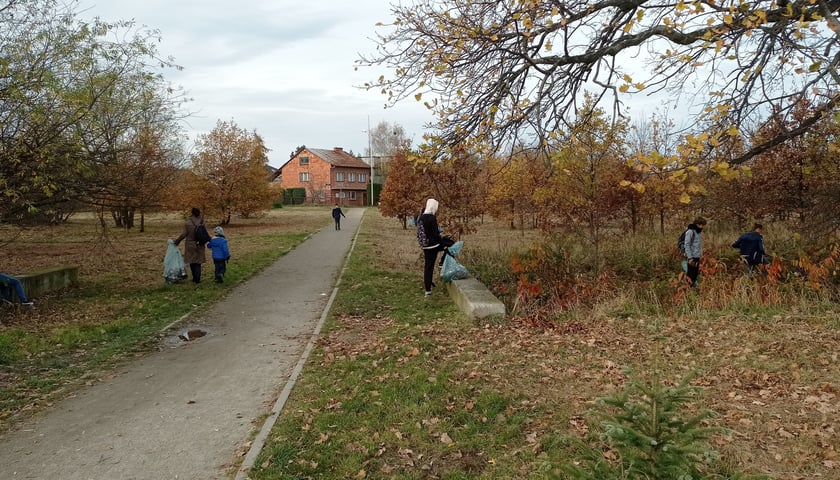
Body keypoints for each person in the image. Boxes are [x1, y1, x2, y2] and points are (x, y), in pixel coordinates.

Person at [418, 198, 446, 297]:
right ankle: (442, 263)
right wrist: (442, 239)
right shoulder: (431, 218)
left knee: (428, 267)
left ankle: (427, 289)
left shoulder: (421, 217)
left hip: (425, 246)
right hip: (433, 246)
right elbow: (435, 234)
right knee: (449, 245)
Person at [174, 207, 208, 284]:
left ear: (192, 213)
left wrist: (177, 241)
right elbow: (205, 233)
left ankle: (195, 278)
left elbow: (184, 234)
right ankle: (198, 279)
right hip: (200, 243)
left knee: (192, 261)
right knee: (198, 262)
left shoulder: (188, 223)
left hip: (190, 244)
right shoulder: (202, 222)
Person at [683, 217, 707, 288]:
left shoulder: (698, 232)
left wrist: (700, 255)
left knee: (695, 273)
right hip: (691, 257)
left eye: (703, 225)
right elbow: (687, 245)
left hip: (696, 257)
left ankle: (692, 288)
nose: (702, 226)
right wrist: (690, 258)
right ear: (696, 224)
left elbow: (697, 245)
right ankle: (687, 289)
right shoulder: (690, 232)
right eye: (700, 225)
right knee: (690, 274)